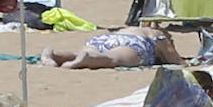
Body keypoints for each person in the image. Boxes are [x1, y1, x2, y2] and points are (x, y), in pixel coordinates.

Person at [41, 27, 184, 69]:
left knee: (78, 52)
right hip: (133, 43)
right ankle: (86, 60)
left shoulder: (131, 28)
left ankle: (54, 54)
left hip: (106, 38)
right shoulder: (159, 36)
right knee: (113, 57)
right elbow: (176, 60)